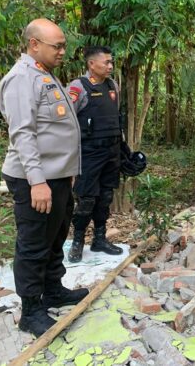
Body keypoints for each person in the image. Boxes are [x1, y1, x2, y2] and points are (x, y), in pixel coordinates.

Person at [0, 18, 89, 337]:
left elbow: (56, 129)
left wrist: (68, 174)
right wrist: (37, 182)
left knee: (54, 239)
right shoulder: (22, 78)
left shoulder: (44, 74)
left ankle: (53, 290)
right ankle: (31, 310)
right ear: (34, 44)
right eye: (58, 45)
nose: (63, 51)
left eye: (64, 45)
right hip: (34, 180)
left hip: (57, 177)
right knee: (34, 244)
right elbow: (23, 133)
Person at [67, 46, 123, 263]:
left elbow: (115, 118)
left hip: (111, 153)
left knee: (105, 197)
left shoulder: (112, 86)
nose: (110, 66)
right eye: (106, 62)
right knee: (87, 200)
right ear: (91, 64)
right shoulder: (78, 87)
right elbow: (67, 123)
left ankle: (100, 238)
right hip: (89, 155)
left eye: (111, 62)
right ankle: (78, 241)